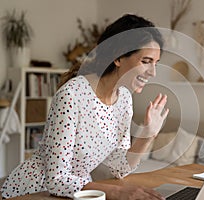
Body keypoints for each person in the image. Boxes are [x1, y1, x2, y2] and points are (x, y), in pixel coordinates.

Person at [1, 14, 169, 200]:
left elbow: (118, 168)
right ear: (118, 57)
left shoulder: (124, 100)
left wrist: (147, 135)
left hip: (82, 194)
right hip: (37, 192)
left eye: (156, 63)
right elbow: (56, 179)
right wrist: (118, 192)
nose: (153, 72)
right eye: (146, 61)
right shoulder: (72, 95)